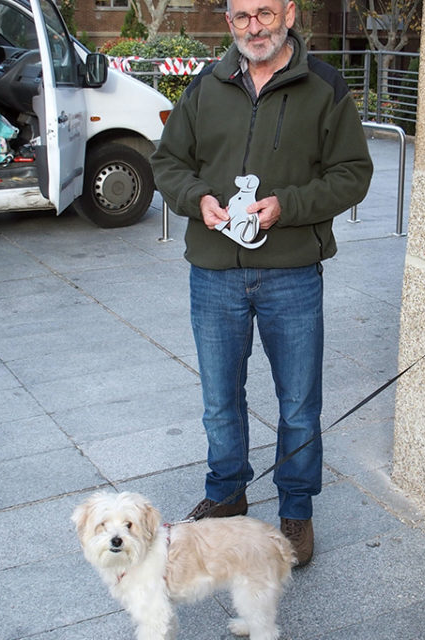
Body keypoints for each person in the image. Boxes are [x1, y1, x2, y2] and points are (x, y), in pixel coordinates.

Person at [150, 0, 373, 567]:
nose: (255, 27)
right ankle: (227, 493)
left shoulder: (325, 86)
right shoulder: (205, 85)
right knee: (219, 400)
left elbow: (353, 174)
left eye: (266, 13)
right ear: (229, 22)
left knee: (298, 404)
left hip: (291, 273)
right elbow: (168, 163)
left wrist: (287, 206)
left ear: (289, 14)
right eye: (242, 16)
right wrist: (197, 199)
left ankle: (296, 509)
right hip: (214, 274)